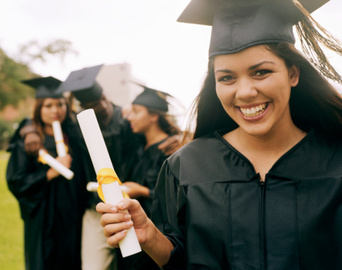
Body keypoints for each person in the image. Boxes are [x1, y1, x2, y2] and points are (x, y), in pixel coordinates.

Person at [96, 0, 342, 269]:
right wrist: (152, 239)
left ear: (293, 73)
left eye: (261, 72)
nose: (245, 91)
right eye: (227, 78)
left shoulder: (335, 161)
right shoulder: (186, 168)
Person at [55, 66, 181, 270]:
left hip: (135, 211)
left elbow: (159, 132)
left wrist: (178, 138)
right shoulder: (78, 128)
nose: (102, 107)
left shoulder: (126, 123)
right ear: (83, 107)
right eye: (93, 105)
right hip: (98, 207)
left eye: (103, 101)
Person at [6, 77, 88, 270]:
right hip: (44, 217)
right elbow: (16, 181)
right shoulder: (28, 143)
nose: (55, 110)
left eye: (60, 104)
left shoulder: (74, 135)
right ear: (38, 108)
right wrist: (49, 173)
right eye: (48, 105)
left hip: (72, 215)